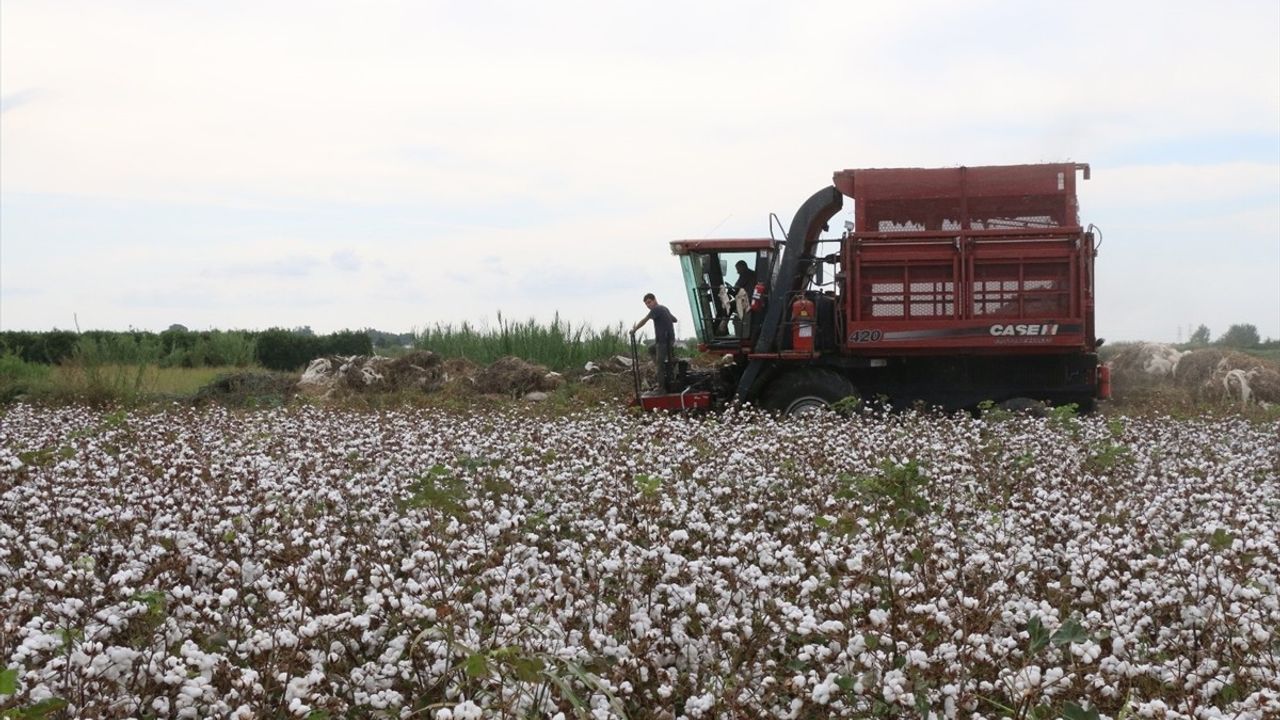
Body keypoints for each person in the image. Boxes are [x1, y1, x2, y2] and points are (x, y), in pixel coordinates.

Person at [632, 293, 678, 391]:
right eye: (646, 304)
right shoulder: (664, 308)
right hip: (670, 340)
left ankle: (661, 388)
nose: (648, 305)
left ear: (654, 300)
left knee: (660, 366)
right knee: (651, 349)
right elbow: (675, 320)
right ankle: (664, 364)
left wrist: (634, 329)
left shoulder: (656, 309)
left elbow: (644, 320)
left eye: (649, 302)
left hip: (663, 341)